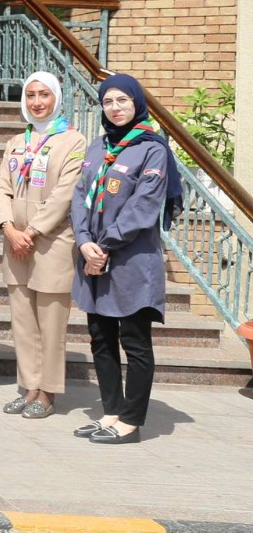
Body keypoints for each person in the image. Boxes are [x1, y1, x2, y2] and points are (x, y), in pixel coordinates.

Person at [70, 74, 181, 445]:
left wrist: (103, 246)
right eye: (108, 102)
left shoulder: (152, 149)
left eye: (122, 100)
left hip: (131, 261)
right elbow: (80, 196)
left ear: (136, 102)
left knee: (134, 342)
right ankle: (111, 413)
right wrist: (84, 242)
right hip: (93, 259)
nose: (115, 108)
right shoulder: (98, 147)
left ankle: (131, 422)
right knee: (100, 339)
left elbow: (143, 207)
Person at [0, 71, 86, 420]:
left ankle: (47, 391)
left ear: (56, 99)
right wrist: (8, 227)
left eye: (44, 95)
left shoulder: (73, 141)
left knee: (51, 320)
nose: (37, 102)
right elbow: (2, 187)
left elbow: (65, 194)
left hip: (51, 240)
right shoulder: (18, 141)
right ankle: (29, 386)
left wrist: (31, 231)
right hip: (14, 241)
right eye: (31, 95)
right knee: (22, 319)